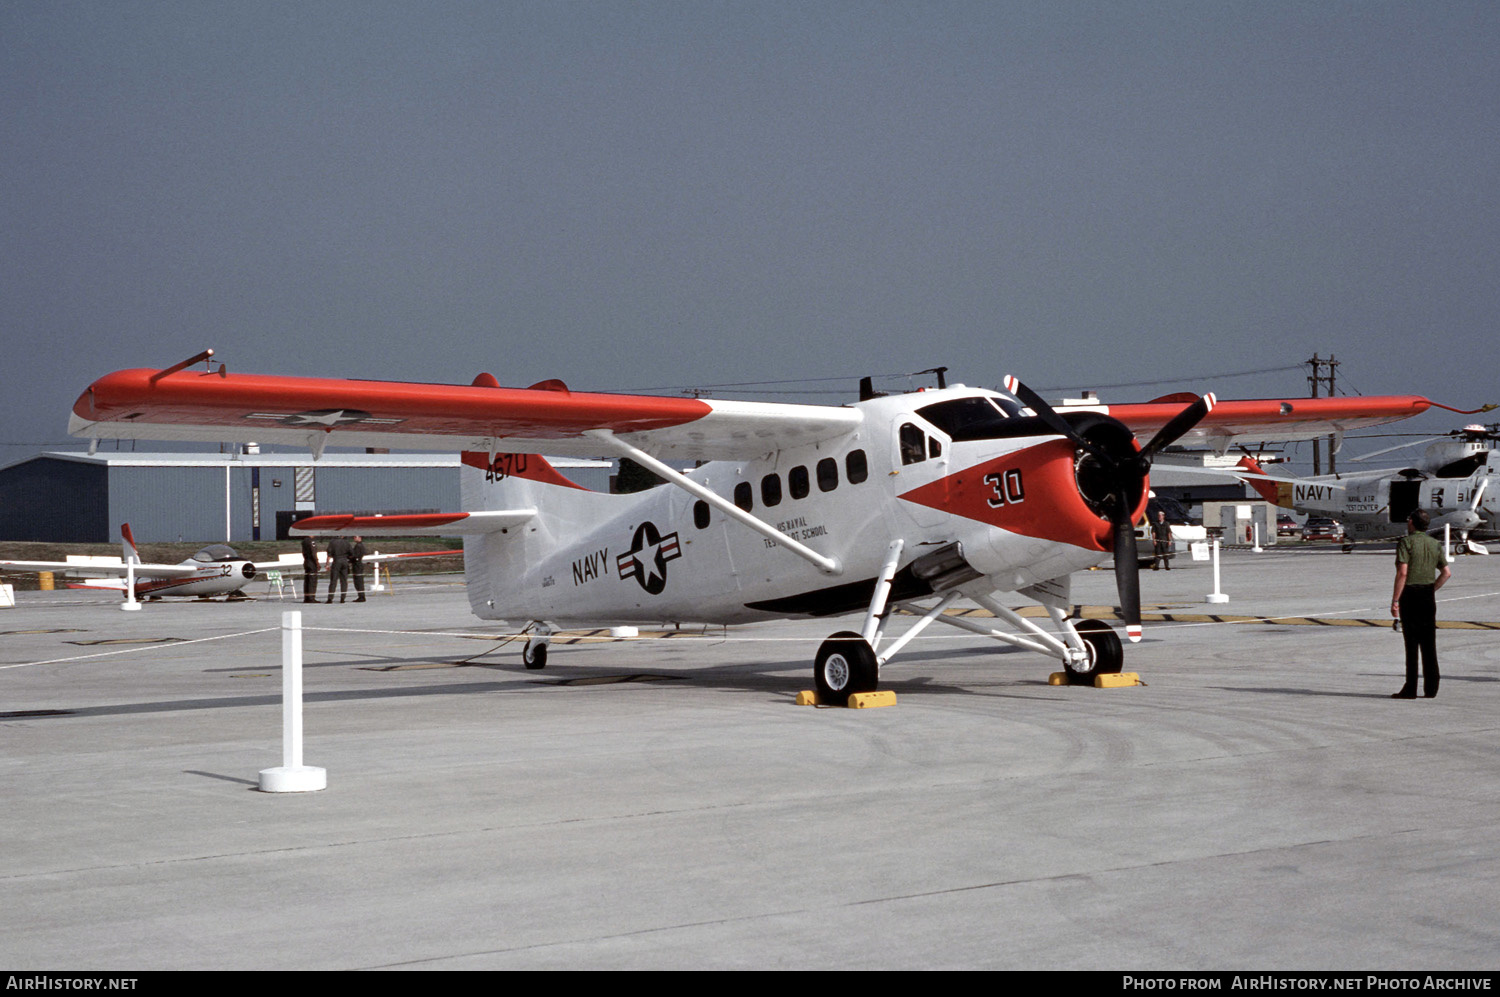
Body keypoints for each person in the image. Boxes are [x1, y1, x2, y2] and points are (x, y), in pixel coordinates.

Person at [1391, 509, 1451, 699]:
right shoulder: (1434, 544)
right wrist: (1431, 589)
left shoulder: (1406, 543)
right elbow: (1446, 572)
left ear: (1412, 523)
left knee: (1411, 644)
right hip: (1427, 595)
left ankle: (1410, 688)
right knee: (1428, 643)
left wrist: (1395, 600)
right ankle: (1431, 687)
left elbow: (1403, 572)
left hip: (1410, 595)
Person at [326, 535, 352, 603]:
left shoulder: (332, 542)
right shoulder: (347, 542)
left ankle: (330, 598)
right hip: (344, 561)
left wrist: (327, 564)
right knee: (344, 581)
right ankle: (343, 598)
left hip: (336, 561)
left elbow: (329, 554)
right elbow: (351, 553)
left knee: (333, 581)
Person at [300, 534, 320, 604]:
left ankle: (306, 598)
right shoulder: (312, 541)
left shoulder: (304, 541)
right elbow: (313, 552)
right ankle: (311, 598)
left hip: (306, 561)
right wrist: (317, 562)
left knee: (307, 580)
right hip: (312, 562)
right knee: (312, 580)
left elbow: (303, 552)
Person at [350, 535, 367, 603]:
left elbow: (356, 556)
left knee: (358, 581)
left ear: (359, 538)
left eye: (355, 537)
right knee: (358, 581)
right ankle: (361, 595)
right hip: (358, 565)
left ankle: (361, 596)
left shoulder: (358, 546)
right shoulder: (360, 545)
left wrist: (350, 558)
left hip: (357, 565)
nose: (354, 538)